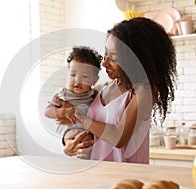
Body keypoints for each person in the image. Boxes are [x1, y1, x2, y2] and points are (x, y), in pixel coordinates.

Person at [54, 17, 177, 163]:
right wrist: (69, 143)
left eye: (113, 57)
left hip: (127, 178)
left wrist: (80, 117)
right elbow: (78, 124)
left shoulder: (145, 91)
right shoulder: (101, 89)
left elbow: (118, 137)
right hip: (96, 173)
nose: (104, 62)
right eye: (106, 54)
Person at [45, 46, 103, 158]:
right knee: (75, 141)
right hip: (68, 132)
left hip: (87, 132)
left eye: (84, 76)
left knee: (88, 144)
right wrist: (63, 112)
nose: (77, 80)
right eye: (73, 75)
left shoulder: (94, 95)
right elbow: (47, 111)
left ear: (94, 79)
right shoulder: (63, 94)